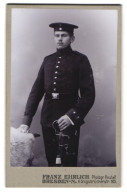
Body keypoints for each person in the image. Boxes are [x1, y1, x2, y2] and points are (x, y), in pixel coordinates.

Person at [18, 22, 95, 167]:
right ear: (54, 38)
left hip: (67, 120)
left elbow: (89, 95)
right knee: (52, 162)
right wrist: (26, 121)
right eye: (57, 36)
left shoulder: (81, 60)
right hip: (47, 119)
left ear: (72, 39)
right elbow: (36, 92)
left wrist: (71, 116)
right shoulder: (48, 60)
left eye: (64, 35)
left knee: (68, 164)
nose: (59, 39)